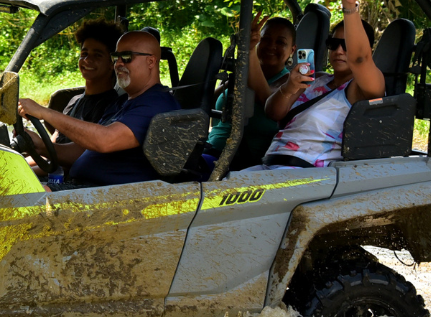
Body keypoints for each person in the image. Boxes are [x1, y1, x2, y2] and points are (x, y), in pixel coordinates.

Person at [254, 0, 385, 169]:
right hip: (270, 165)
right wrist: (290, 87)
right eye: (334, 43)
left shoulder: (361, 90)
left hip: (307, 175)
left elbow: (360, 59)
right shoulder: (316, 78)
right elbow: (272, 113)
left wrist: (349, 7)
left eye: (346, 44)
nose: (339, 51)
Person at [17, 30, 180, 188]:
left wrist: (44, 112)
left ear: (151, 61)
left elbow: (105, 140)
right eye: (116, 57)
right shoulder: (122, 102)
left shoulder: (156, 104)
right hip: (85, 189)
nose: (119, 63)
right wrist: (40, 146)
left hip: (112, 198)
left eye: (127, 57)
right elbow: (81, 153)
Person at [207, 14, 296, 169]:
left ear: (292, 50)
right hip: (210, 152)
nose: (271, 46)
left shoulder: (289, 84)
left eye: (280, 42)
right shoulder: (241, 76)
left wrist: (248, 50)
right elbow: (206, 101)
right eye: (266, 39)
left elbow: (266, 100)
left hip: (240, 165)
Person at [54, 19, 124, 145]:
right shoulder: (75, 101)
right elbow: (52, 145)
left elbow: (79, 153)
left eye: (97, 55)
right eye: (84, 53)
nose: (87, 60)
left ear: (112, 63)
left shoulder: (110, 106)